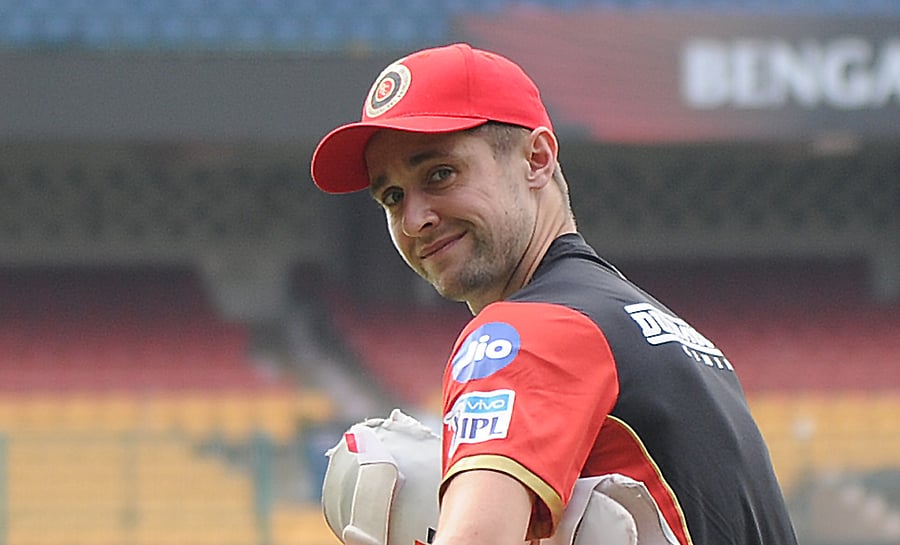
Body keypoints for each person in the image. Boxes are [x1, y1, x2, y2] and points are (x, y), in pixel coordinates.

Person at [310, 43, 798, 545]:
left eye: (440, 174)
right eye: (392, 197)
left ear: (537, 159)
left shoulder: (522, 333)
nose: (415, 219)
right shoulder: (673, 338)